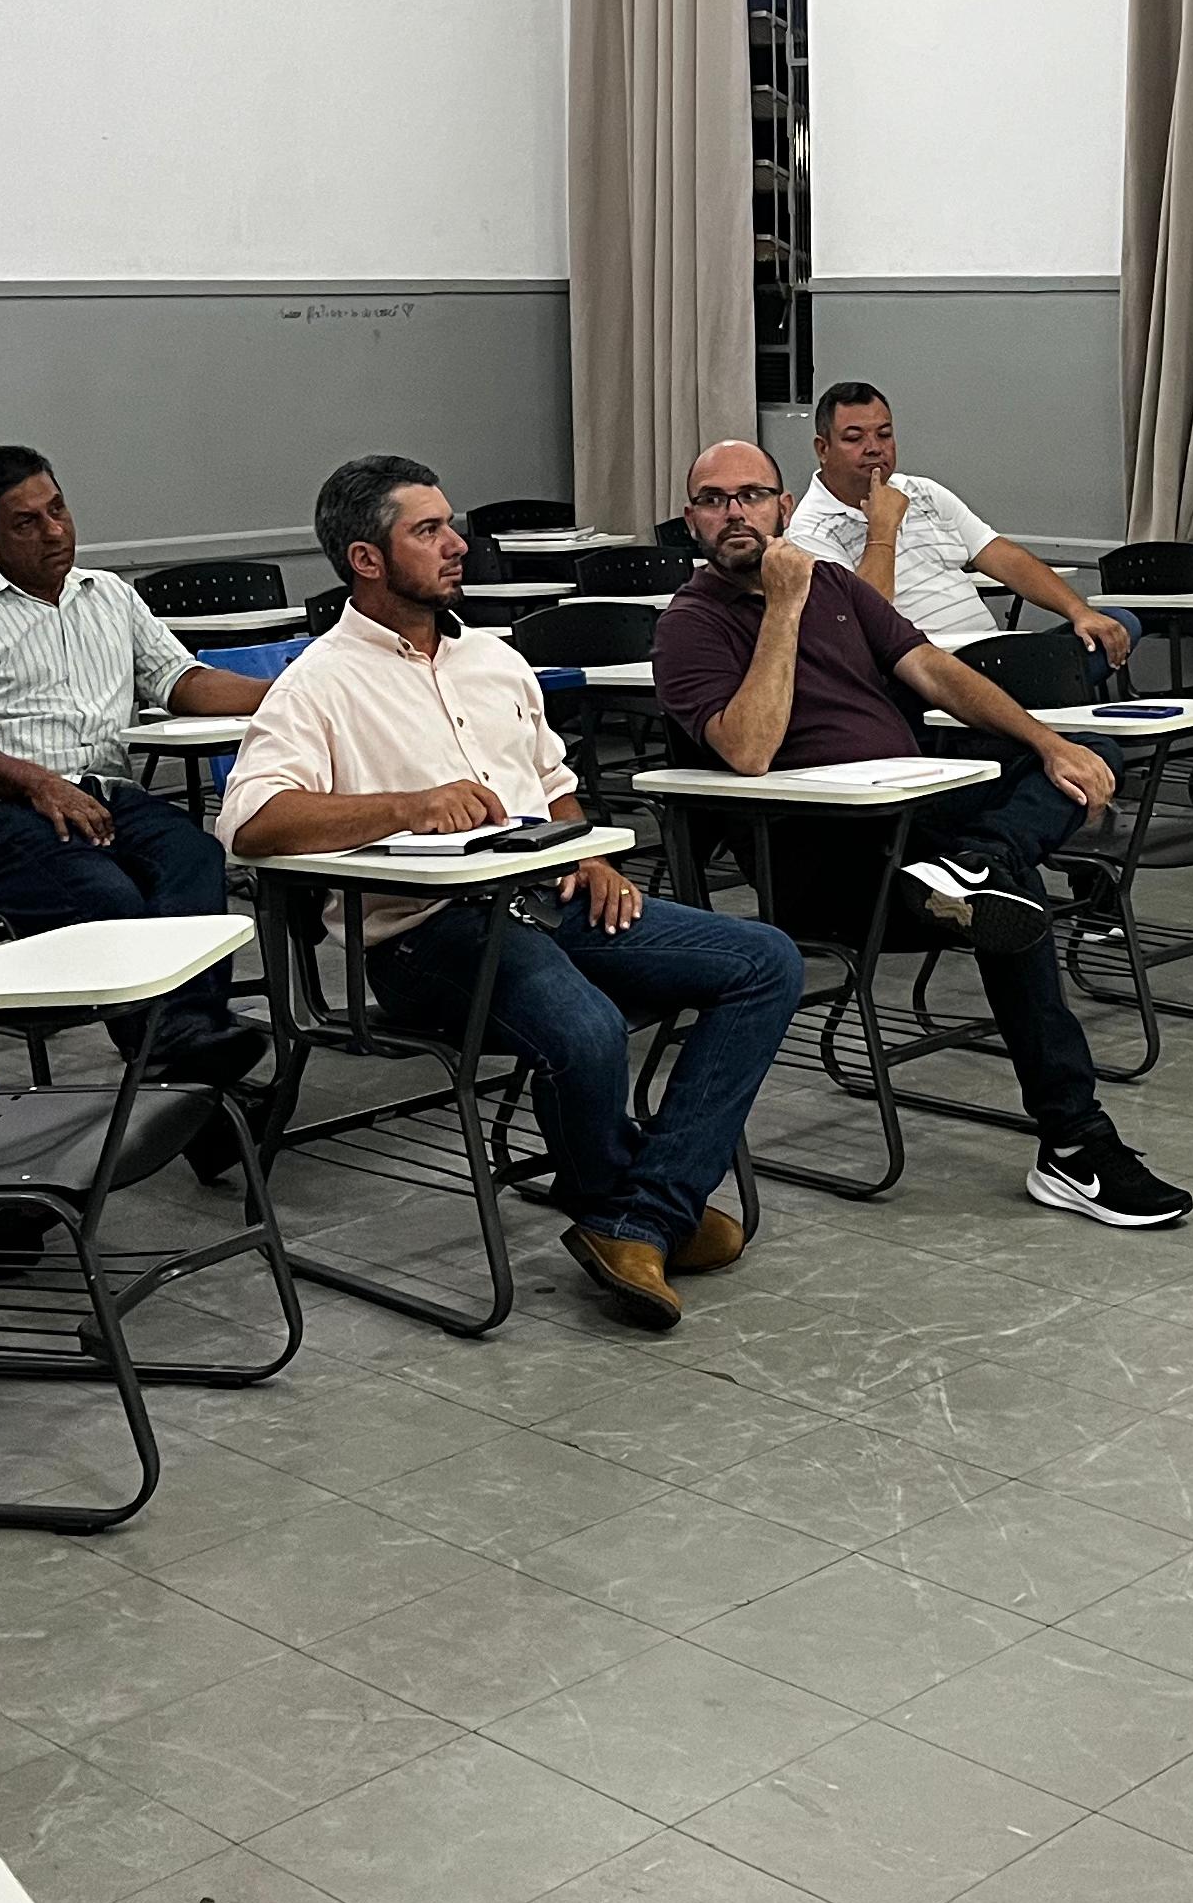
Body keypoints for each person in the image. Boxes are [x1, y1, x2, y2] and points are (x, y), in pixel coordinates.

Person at [218, 455, 802, 1330]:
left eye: (451, 524)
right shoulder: (319, 683)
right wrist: (407, 808)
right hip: (426, 934)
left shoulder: (495, 660)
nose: (459, 545)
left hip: (550, 896)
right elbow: (252, 824)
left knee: (763, 959)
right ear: (365, 559)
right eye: (429, 531)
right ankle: (635, 1212)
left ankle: (641, 1215)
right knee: (586, 1027)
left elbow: (555, 784)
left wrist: (590, 853)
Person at [651, 440, 1193, 1230]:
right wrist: (784, 606)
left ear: (784, 508)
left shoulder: (838, 583)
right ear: (691, 518)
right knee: (1015, 902)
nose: (734, 513)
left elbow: (932, 669)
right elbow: (750, 748)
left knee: (1085, 753)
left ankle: (979, 863)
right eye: (713, 499)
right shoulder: (691, 625)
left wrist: (1047, 742)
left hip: (915, 825)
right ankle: (1075, 1145)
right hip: (825, 862)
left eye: (752, 495)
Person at [0, 445, 267, 1094]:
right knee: (110, 898)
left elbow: (179, 681)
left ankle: (181, 1056)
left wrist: (286, 697)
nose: (55, 532)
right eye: (26, 522)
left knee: (196, 857)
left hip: (108, 796)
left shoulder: (109, 597)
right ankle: (194, 1070)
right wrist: (39, 783)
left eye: (59, 509)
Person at [784, 381, 1142, 681]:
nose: (874, 448)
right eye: (854, 438)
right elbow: (861, 620)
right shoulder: (809, 531)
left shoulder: (922, 491)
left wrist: (1079, 612)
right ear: (823, 449)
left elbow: (1002, 556)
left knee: (1114, 624)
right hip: (924, 673)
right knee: (1084, 741)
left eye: (884, 434)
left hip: (992, 653)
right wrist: (882, 530)